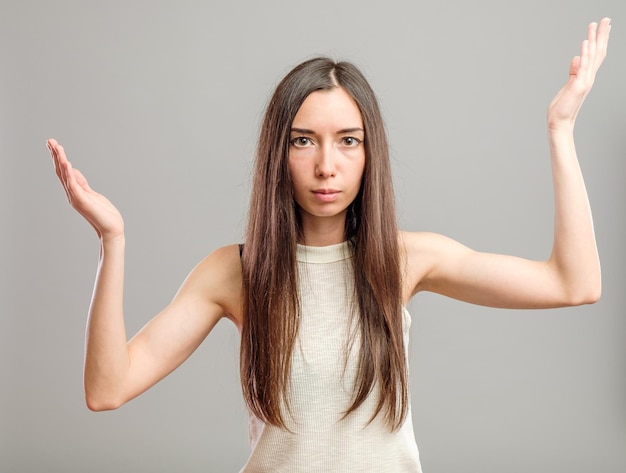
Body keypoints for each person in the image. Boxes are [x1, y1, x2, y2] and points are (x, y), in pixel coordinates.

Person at [48, 18, 611, 473]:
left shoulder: (404, 259)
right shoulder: (234, 272)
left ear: (370, 154)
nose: (326, 165)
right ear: (279, 152)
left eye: (348, 141)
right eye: (303, 141)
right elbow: (107, 388)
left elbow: (574, 283)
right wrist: (112, 239)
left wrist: (560, 131)